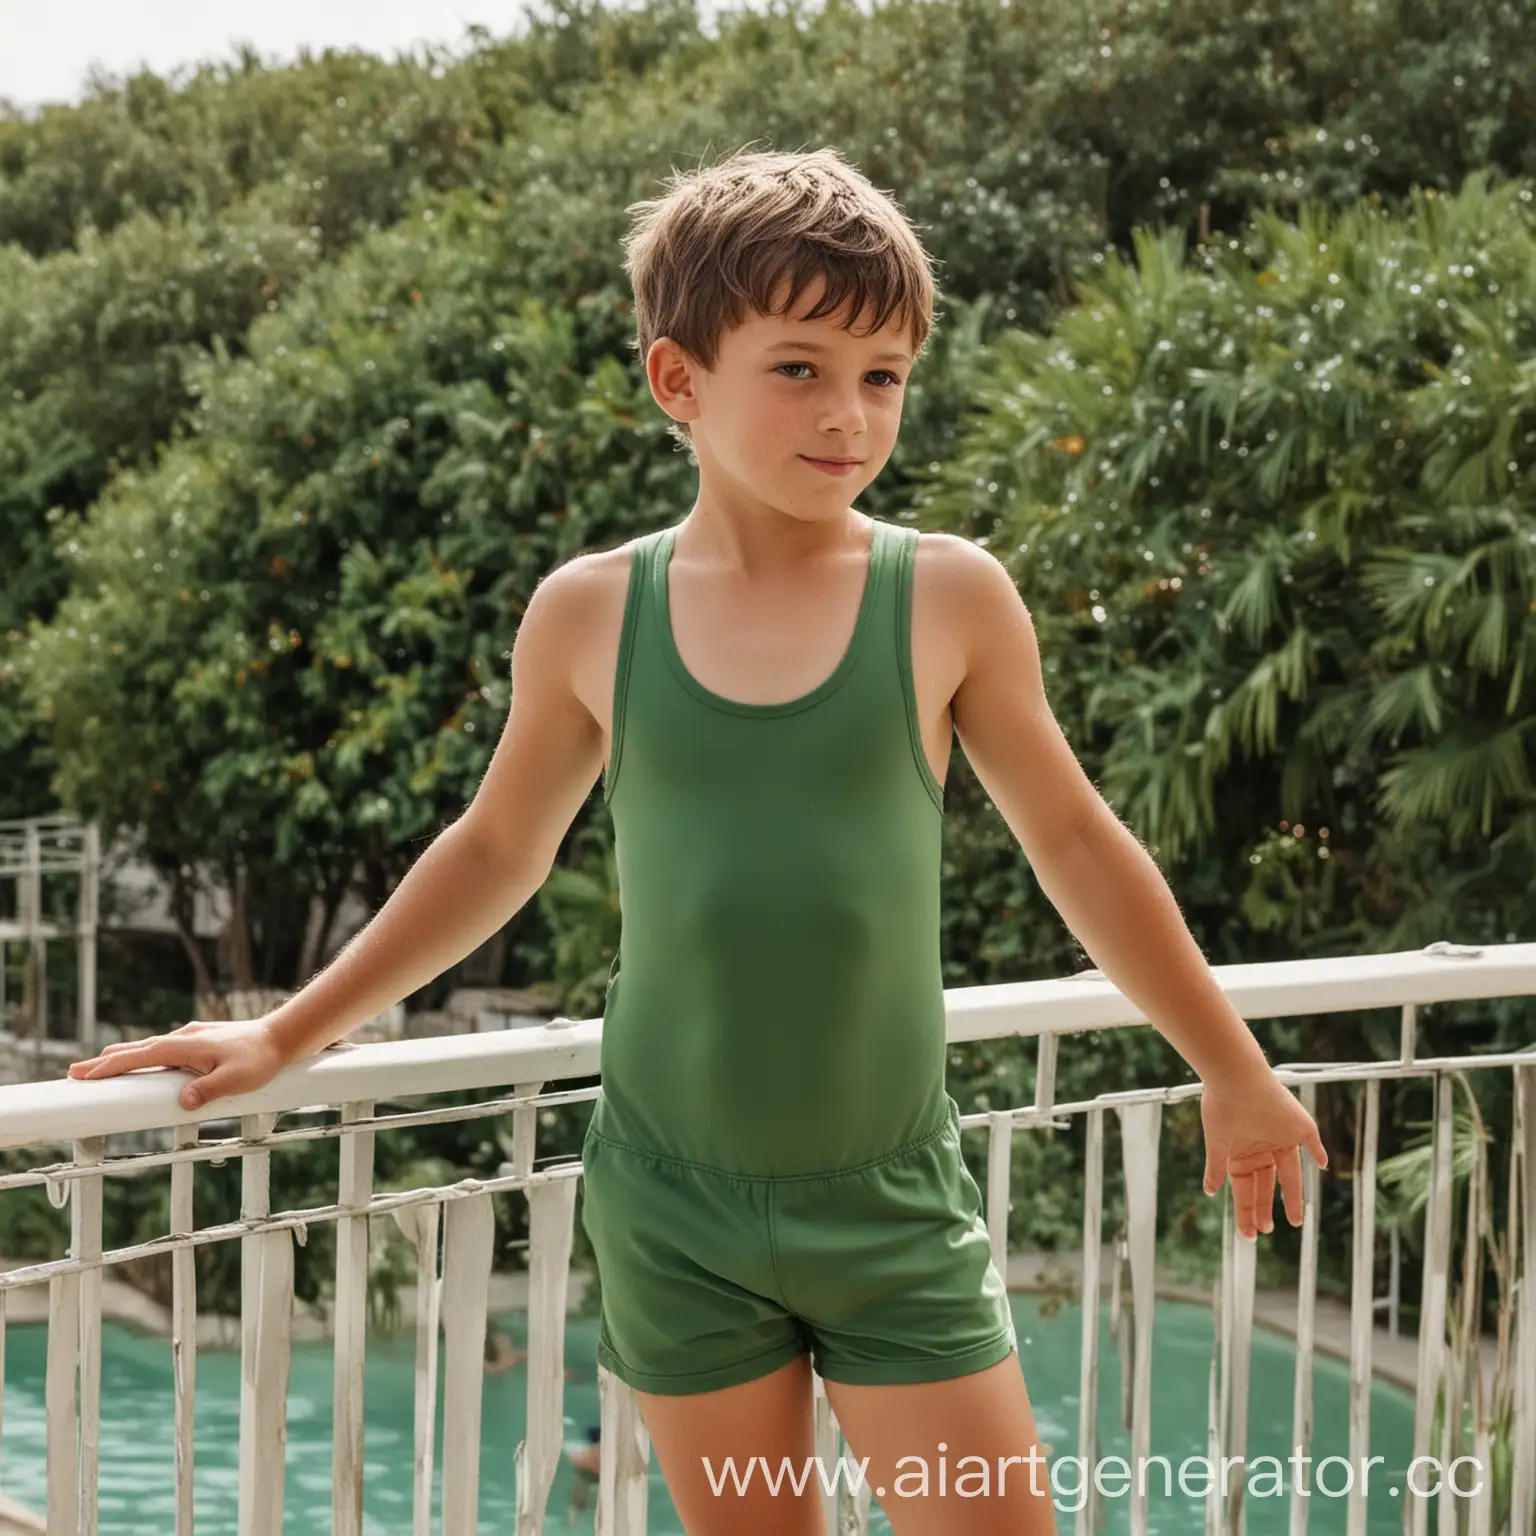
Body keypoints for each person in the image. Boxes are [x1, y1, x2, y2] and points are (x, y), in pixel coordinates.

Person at [67, 145, 1328, 1535]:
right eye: (799, 368)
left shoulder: (949, 599)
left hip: (892, 1210)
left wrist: (1230, 1064)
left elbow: (1081, 847)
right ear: (681, 381)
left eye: (883, 375)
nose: (849, 413)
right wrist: (283, 1037)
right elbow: (495, 851)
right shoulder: (590, 614)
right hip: (672, 1214)